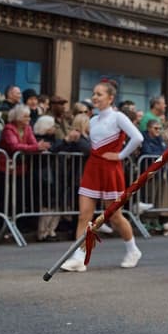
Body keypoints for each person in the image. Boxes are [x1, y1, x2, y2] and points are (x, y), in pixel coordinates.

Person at [58, 81, 142, 271]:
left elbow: (138, 137)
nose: (95, 97)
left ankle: (133, 249)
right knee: (84, 216)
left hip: (111, 170)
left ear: (111, 98)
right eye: (94, 93)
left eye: (100, 94)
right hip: (93, 169)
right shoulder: (93, 120)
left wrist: (120, 156)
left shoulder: (118, 117)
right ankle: (79, 258)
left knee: (114, 217)